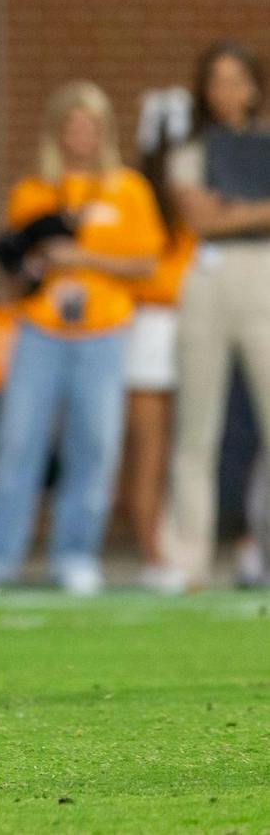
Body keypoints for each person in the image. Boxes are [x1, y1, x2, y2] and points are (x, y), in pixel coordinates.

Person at [0, 81, 164, 598]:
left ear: (104, 131)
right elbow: (16, 266)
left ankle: (76, 553)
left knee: (94, 444)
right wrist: (35, 263)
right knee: (18, 441)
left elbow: (148, 262)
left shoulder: (127, 189)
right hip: (40, 327)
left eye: (90, 125)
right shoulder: (35, 190)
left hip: (104, 330)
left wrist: (80, 257)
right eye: (71, 125)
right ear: (58, 132)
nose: (80, 135)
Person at [159, 41, 270, 590]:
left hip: (263, 276)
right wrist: (253, 211)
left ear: (254, 84)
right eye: (217, 80)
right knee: (195, 429)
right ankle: (188, 561)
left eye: (237, 79)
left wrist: (232, 209)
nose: (227, 91)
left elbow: (218, 210)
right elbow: (200, 218)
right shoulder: (191, 148)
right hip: (206, 279)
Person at [122, 86, 195, 589]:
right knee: (150, 445)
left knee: (182, 447)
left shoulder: (199, 189)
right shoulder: (137, 195)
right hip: (150, 323)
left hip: (192, 321)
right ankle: (152, 549)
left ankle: (172, 547)